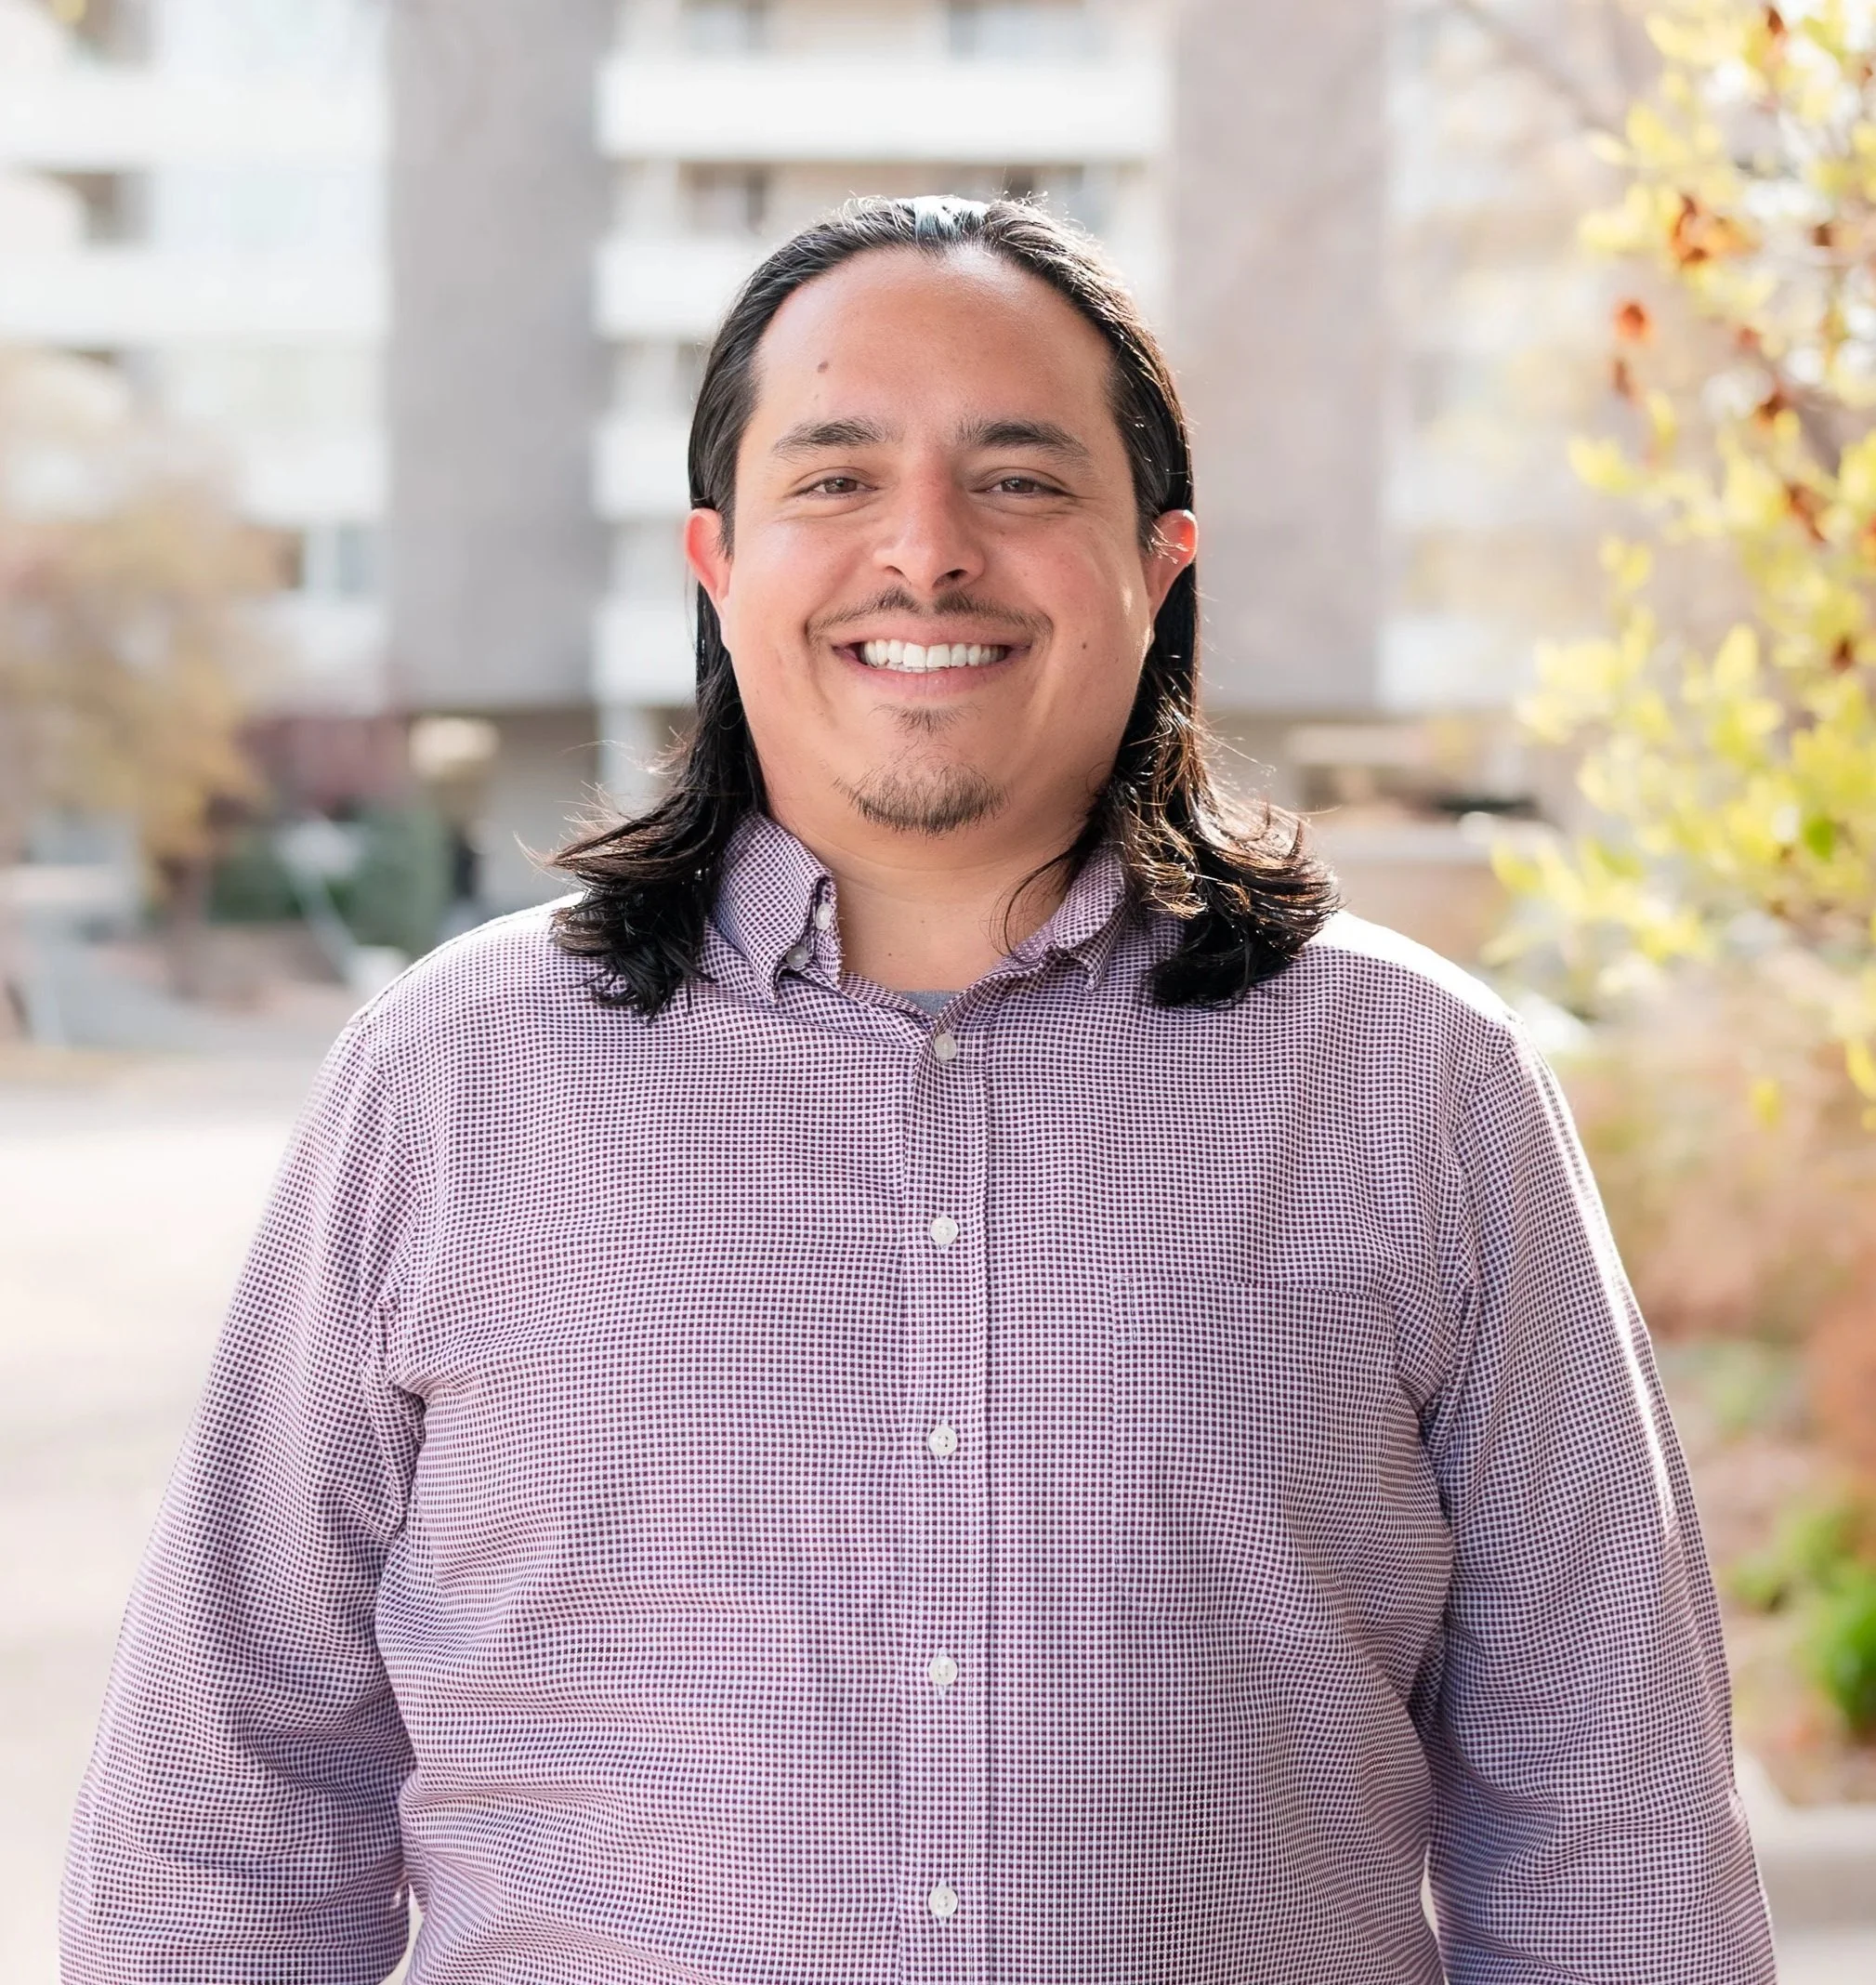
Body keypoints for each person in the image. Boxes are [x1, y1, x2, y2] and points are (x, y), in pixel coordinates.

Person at [61, 196, 1774, 1985]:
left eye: (1018, 480)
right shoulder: (448, 1078)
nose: (926, 552)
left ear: (1157, 564)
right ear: (719, 565)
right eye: (836, 478)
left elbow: (1612, 1826)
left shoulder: (1419, 1083)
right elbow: (228, 1807)